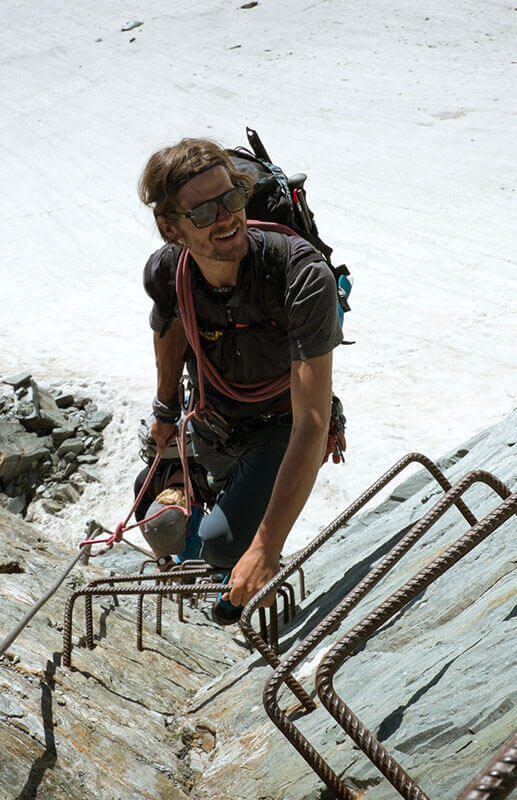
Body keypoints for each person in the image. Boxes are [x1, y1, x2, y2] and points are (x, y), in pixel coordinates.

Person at [136, 137, 344, 624]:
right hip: (211, 417)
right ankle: (217, 551)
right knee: (159, 519)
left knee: (223, 545)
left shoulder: (300, 275)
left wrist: (266, 551)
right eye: (204, 213)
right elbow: (169, 330)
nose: (227, 218)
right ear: (171, 228)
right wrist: (166, 411)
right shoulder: (168, 273)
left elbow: (310, 424)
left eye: (232, 200)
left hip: (281, 422)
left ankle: (234, 559)